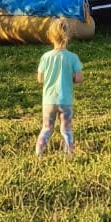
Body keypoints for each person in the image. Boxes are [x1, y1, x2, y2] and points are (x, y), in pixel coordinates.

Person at [35, 21, 83, 158]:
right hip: (65, 101)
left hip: (49, 101)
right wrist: (70, 78)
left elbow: (40, 79)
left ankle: (38, 154)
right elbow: (79, 78)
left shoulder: (45, 57)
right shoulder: (73, 58)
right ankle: (69, 155)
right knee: (66, 129)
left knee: (47, 128)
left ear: (50, 36)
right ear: (68, 36)